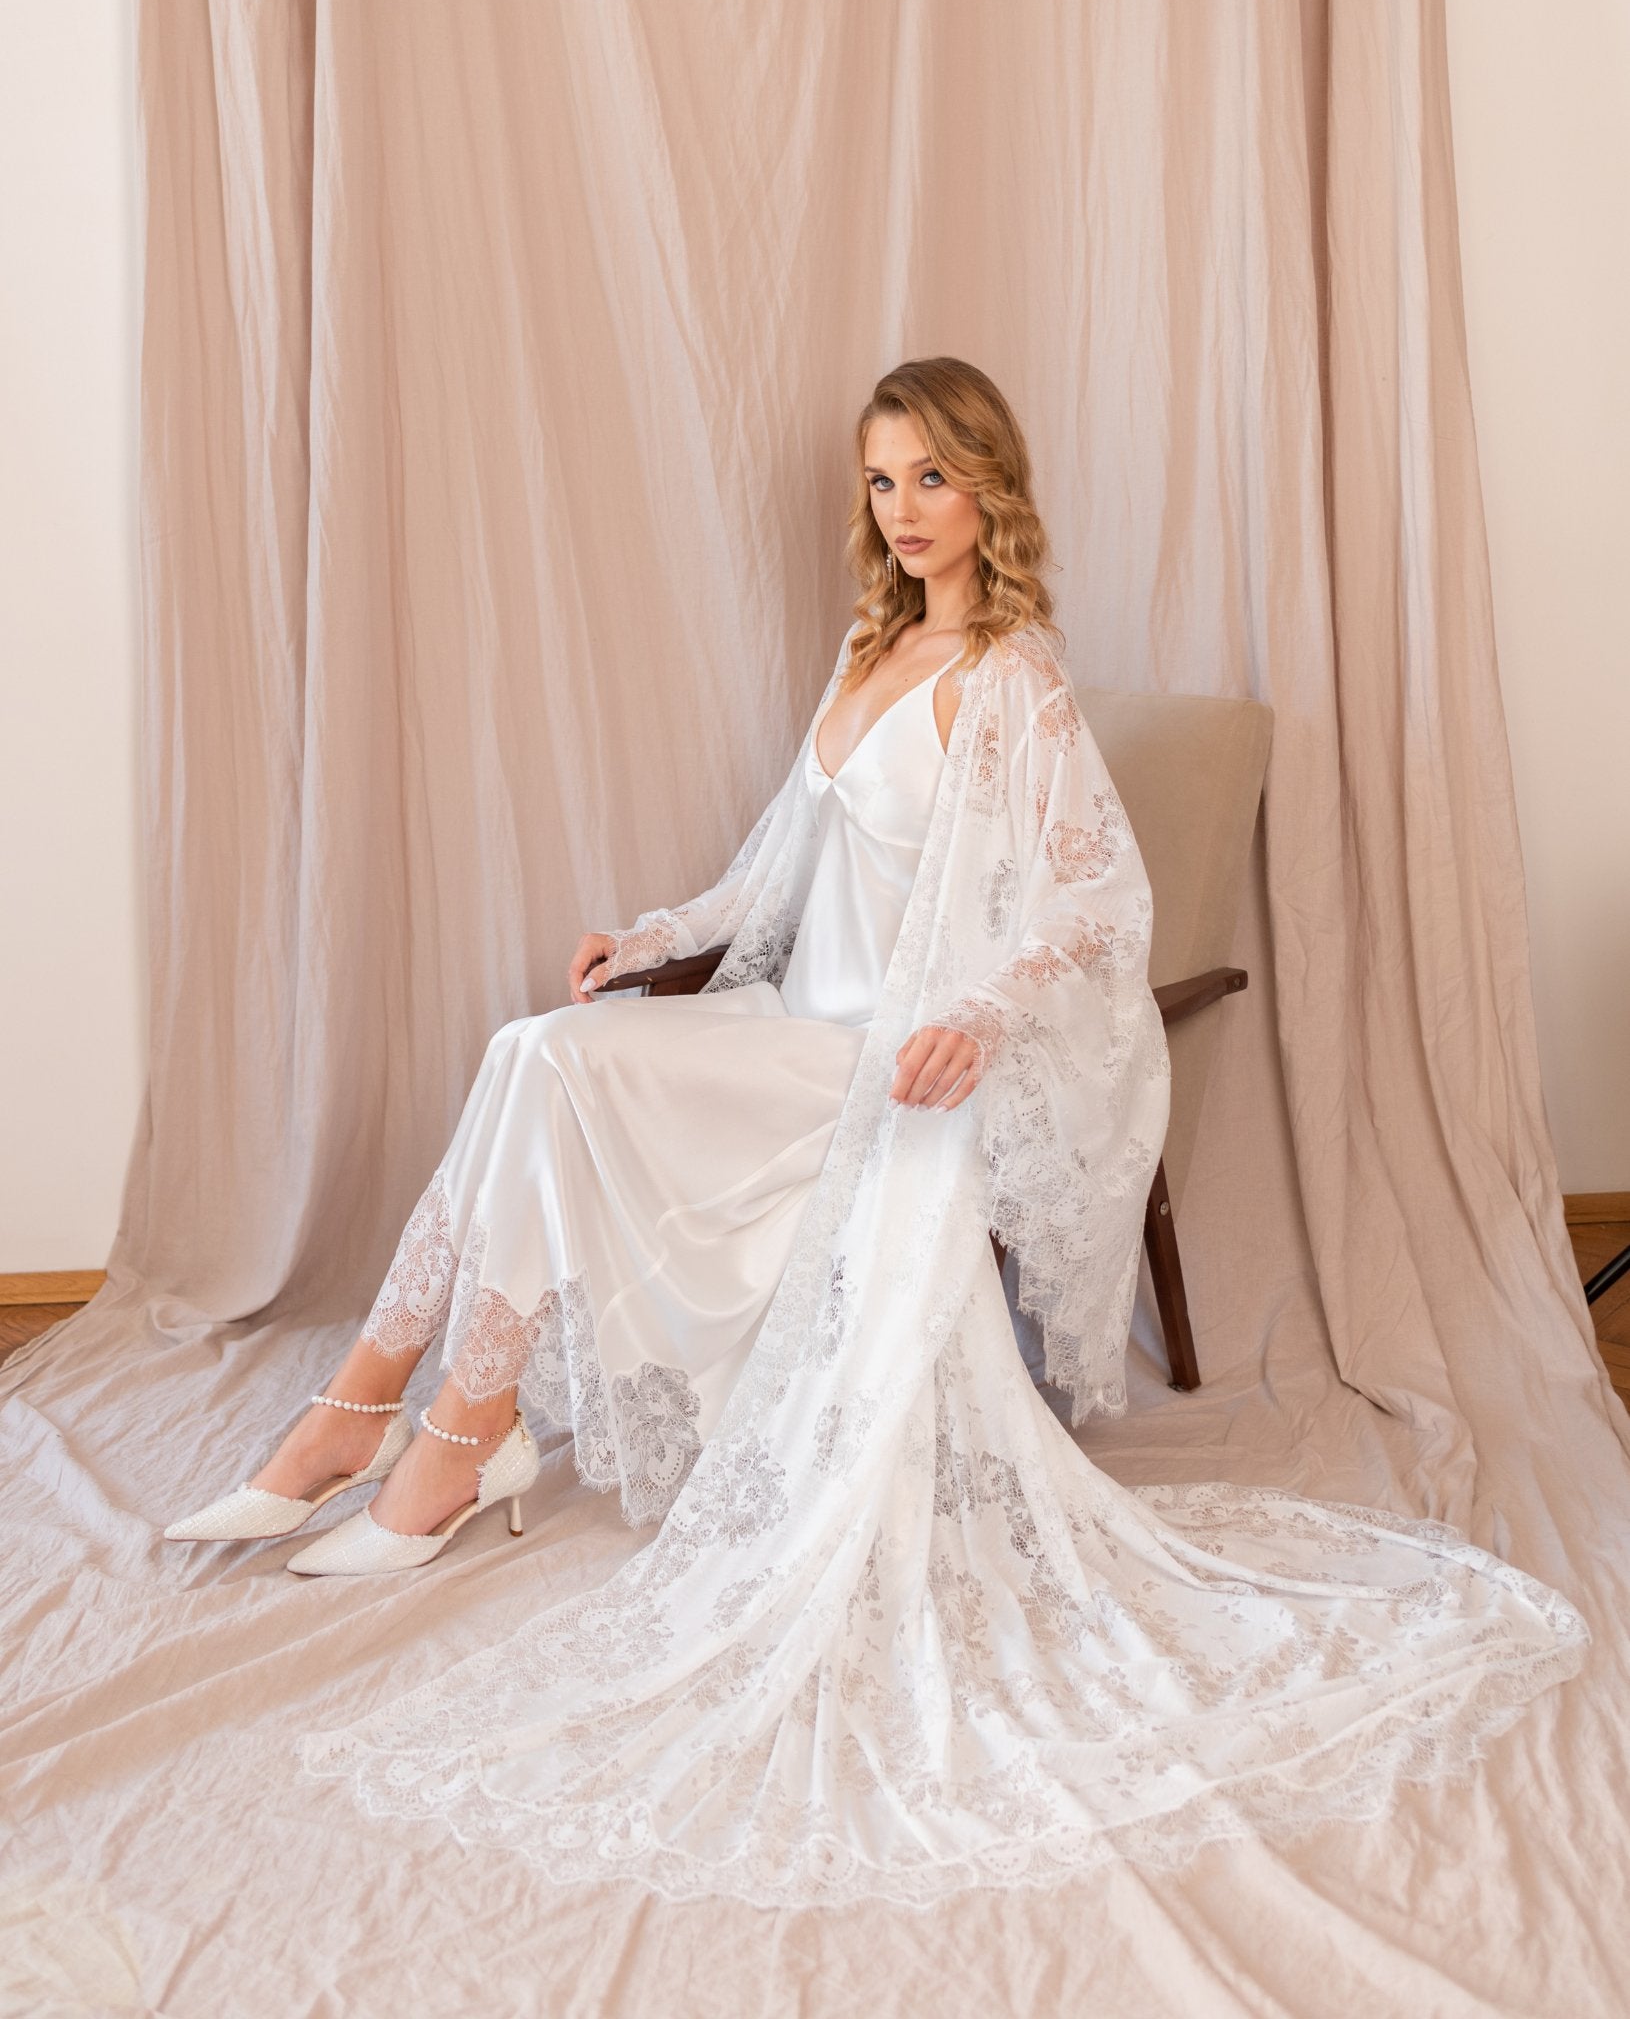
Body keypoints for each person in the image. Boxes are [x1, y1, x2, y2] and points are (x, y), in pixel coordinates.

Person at [163, 359, 1588, 1909]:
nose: (903, 508)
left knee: (538, 1068)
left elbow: (1095, 901)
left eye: (930, 476)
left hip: (872, 1061)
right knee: (536, 1051)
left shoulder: (1011, 678)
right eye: (880, 479)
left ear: (987, 488)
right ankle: (424, 1413)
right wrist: (648, 939)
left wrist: (975, 1013)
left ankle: (406, 1432)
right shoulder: (869, 653)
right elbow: (766, 879)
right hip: (786, 1026)